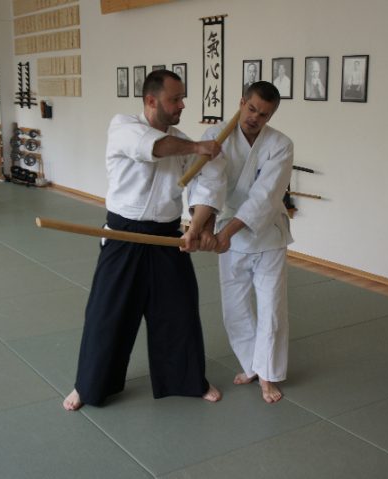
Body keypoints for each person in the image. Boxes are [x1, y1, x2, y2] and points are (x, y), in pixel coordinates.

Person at [63, 70, 224, 411]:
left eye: (182, 98)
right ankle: (88, 385)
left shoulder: (181, 139)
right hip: (123, 234)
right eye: (174, 99)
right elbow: (152, 147)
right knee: (108, 314)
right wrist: (199, 146)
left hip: (166, 235)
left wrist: (196, 226)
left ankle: (188, 380)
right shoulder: (123, 126)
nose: (181, 105)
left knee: (179, 310)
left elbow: (206, 184)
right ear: (151, 101)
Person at [194, 81, 294, 403]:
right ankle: (251, 364)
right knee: (234, 307)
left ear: (271, 115)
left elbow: (265, 197)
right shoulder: (215, 137)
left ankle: (267, 375)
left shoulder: (281, 144)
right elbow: (209, 185)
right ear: (241, 103)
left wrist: (224, 234)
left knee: (271, 309)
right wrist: (203, 228)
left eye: (263, 114)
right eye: (251, 109)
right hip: (226, 231)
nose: (255, 118)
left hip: (266, 235)